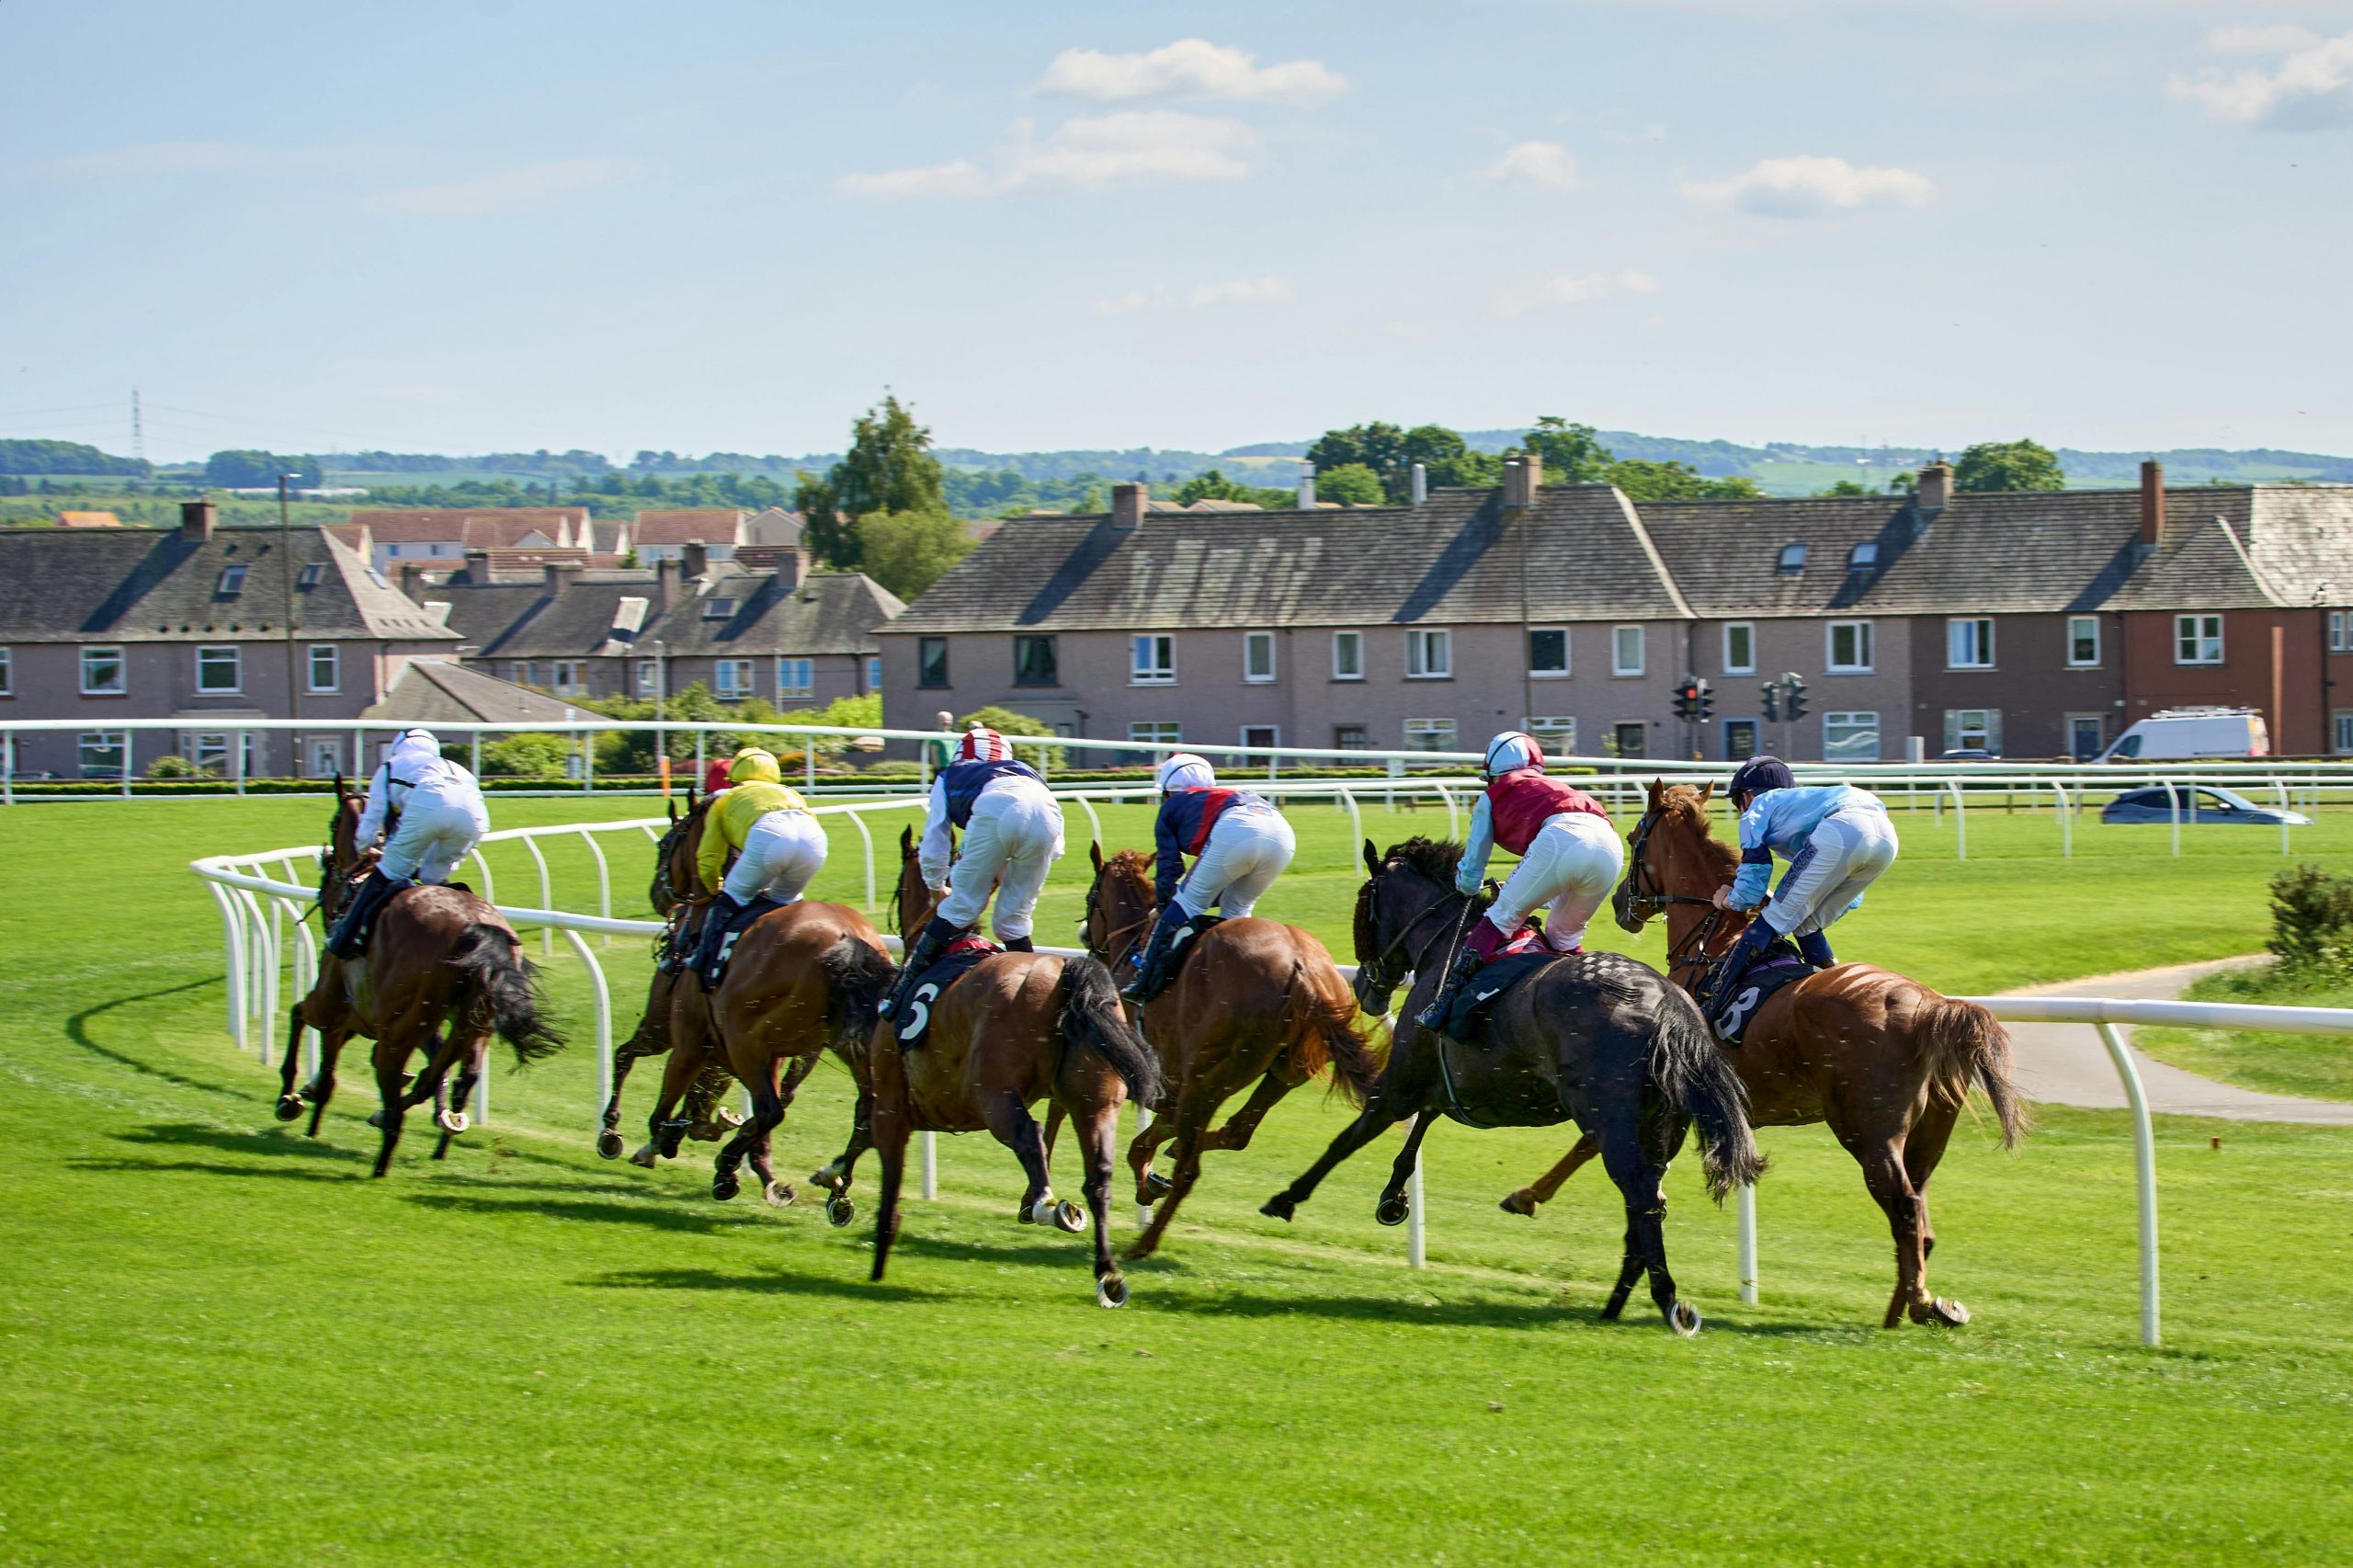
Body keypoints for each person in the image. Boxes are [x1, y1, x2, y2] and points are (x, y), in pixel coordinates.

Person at [1416, 732, 1621, 1028]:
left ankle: (1443, 1003)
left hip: (1563, 840)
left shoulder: (1494, 794)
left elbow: (1472, 873)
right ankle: (1590, 1002)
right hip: (1610, 846)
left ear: (1492, 773)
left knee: (1499, 919)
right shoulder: (1556, 787)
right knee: (1564, 936)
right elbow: (1565, 870)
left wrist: (1467, 885)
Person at [879, 725, 1065, 1023]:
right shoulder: (1026, 772)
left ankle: (898, 992)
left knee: (961, 907)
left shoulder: (949, 775)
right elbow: (1054, 849)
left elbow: (936, 841)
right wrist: (1013, 873)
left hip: (996, 807)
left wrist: (936, 886)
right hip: (1049, 813)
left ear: (960, 756)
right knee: (1013, 922)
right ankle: (1042, 1001)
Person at [1699, 756, 1899, 1028]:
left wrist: (1729, 901)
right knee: (1807, 924)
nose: (1740, 812)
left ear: (1746, 796)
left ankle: (1709, 1009)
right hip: (1887, 837)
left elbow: (1753, 876)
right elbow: (1844, 896)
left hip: (1843, 829)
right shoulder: (1805, 807)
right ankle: (1838, 997)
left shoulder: (1758, 806)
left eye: (1738, 805)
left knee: (1773, 918)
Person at [1123, 753, 1296, 1002]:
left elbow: (1169, 867)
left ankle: (1144, 981)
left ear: (1169, 791)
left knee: (1186, 903)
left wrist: (1164, 906)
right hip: (1283, 833)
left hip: (1238, 829)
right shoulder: (1221, 796)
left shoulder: (1174, 804)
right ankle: (1239, 979)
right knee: (1236, 909)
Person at [325, 728, 492, 959]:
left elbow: (372, 819)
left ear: (398, 747)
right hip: (476, 817)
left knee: (388, 872)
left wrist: (365, 848)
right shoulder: (453, 766)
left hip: (431, 804)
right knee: (431, 877)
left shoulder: (389, 767)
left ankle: (344, 937)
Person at [688, 746, 824, 984]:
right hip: (816, 843)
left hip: (770, 838)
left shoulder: (725, 798)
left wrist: (715, 888)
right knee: (784, 906)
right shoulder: (790, 793)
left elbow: (709, 856)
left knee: (729, 900)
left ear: (736, 776)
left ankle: (704, 964)